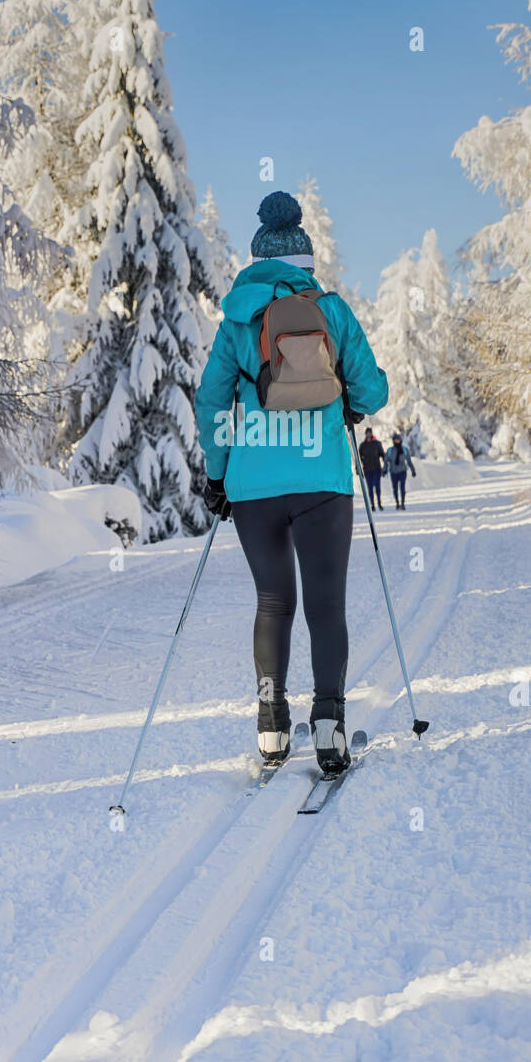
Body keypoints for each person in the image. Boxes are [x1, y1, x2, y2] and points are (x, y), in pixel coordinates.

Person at [195, 191, 388, 776]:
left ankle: (272, 728)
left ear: (257, 260)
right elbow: (372, 392)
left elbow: (211, 403)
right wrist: (349, 403)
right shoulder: (331, 311)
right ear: (305, 261)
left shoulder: (237, 319)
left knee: (273, 600)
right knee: (326, 603)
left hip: (254, 485)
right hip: (322, 479)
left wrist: (218, 475)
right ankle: (328, 726)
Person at [384, 432, 416, 509]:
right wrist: (384, 470)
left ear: (400, 440)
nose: (397, 441)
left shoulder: (404, 450)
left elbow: (409, 461)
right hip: (393, 472)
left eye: (398, 439)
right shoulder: (390, 450)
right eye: (395, 440)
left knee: (402, 487)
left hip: (402, 471)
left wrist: (413, 470)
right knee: (395, 488)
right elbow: (386, 461)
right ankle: (397, 503)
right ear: (393, 441)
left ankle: (402, 503)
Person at [358, 428, 385, 511]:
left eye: (370, 433)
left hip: (377, 469)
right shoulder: (362, 445)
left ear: (371, 433)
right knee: (370, 488)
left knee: (377, 487)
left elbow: (383, 455)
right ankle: (372, 505)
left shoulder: (377, 443)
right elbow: (358, 458)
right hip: (367, 470)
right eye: (367, 433)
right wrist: (357, 468)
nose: (368, 434)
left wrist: (385, 466)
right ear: (365, 434)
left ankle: (379, 504)